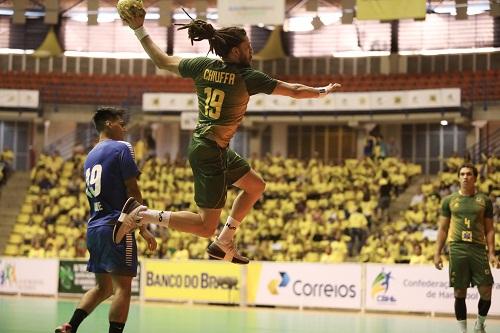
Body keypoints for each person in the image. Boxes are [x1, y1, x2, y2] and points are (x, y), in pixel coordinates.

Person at [116, 7, 341, 264]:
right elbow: (295, 90)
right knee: (204, 227)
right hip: (209, 151)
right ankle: (142, 215)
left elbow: (162, 61)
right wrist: (323, 91)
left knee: (255, 186)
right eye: (247, 47)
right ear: (235, 52)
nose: (251, 51)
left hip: (212, 147)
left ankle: (224, 242)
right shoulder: (247, 77)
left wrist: (139, 29)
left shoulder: (202, 66)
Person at [55, 107, 157, 333]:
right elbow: (133, 189)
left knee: (103, 288)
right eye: (121, 123)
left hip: (95, 226)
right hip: (117, 226)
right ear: (109, 124)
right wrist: (143, 228)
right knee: (123, 288)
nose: (125, 128)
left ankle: (70, 326)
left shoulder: (89, 156)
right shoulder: (122, 147)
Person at [434, 163, 499, 333]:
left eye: (469, 174)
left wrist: (492, 253)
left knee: (486, 289)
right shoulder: (449, 200)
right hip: (457, 249)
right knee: (459, 292)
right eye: (462, 174)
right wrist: (437, 253)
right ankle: (463, 331)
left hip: (478, 248)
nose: (465, 177)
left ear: (475, 178)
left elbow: (490, 229)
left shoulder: (484, 201)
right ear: (458, 177)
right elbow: (442, 229)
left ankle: (479, 325)